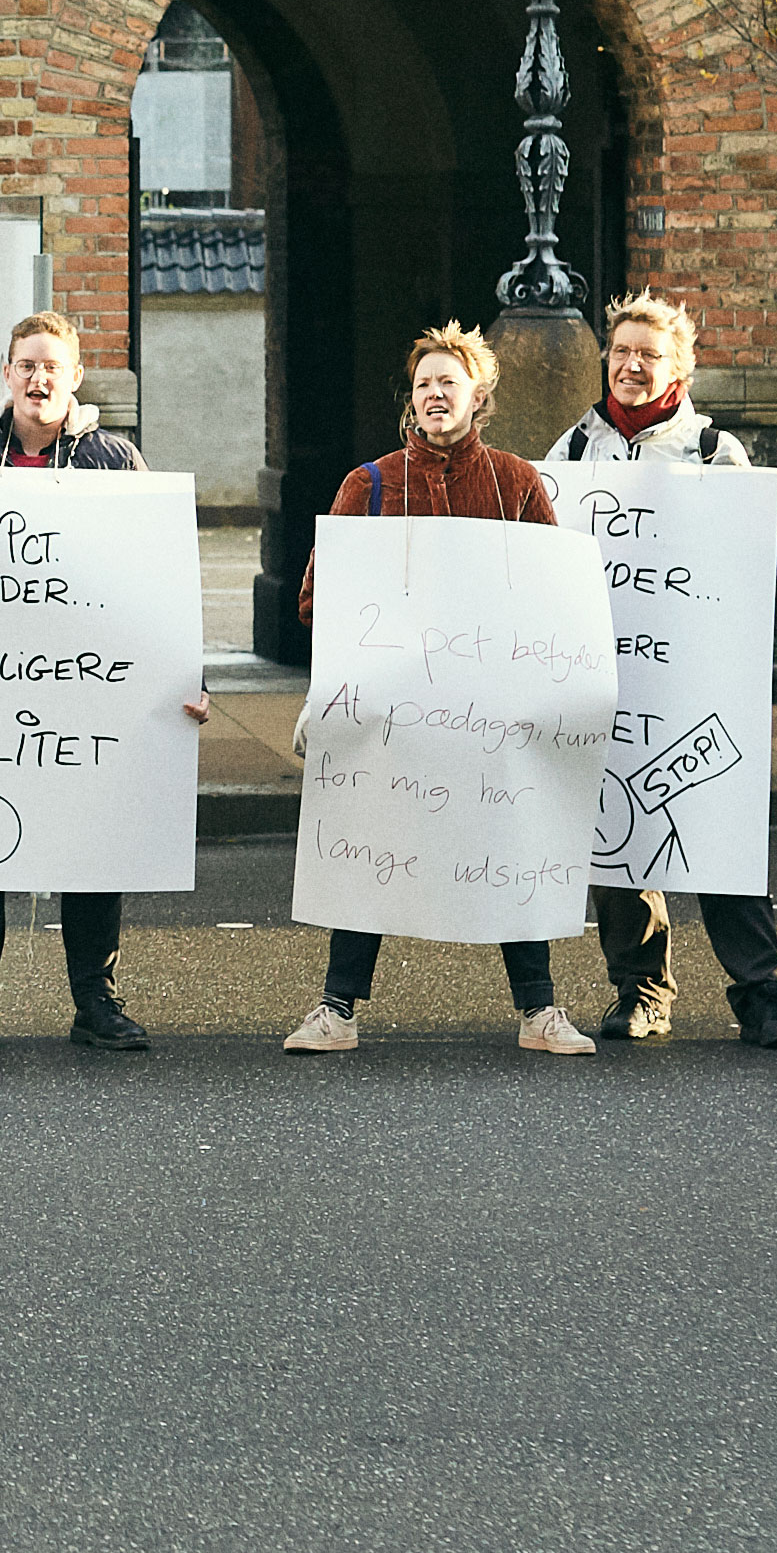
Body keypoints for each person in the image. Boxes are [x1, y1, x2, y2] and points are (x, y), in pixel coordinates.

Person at [282, 325, 603, 1057]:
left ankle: (539, 1011)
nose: (434, 393)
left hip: (492, 711)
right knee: (369, 843)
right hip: (392, 713)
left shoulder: (516, 483)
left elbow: (553, 598)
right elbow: (315, 600)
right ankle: (336, 1010)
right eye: (424, 382)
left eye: (448, 382)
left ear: (478, 396)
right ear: (412, 397)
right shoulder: (369, 484)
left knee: (511, 840)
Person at [0, 312, 210, 1056]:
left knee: (93, 840)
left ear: (76, 377)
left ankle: (95, 1000)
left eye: (52, 366)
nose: (38, 378)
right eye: (26, 365)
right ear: (6, 374)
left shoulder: (113, 460)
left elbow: (160, 577)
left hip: (89, 689)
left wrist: (189, 676)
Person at [541, 292, 777, 1051]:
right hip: (609, 674)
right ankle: (641, 991)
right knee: (621, 837)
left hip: (696, 680)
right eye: (621, 352)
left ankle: (760, 996)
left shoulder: (715, 452)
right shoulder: (573, 453)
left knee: (719, 835)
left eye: (649, 355)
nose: (631, 366)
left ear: (678, 367)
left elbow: (748, 566)